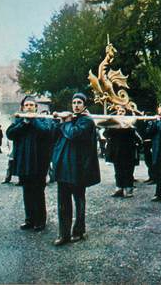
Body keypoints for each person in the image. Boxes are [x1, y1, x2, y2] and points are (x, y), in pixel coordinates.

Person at [51, 93, 100, 246]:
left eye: (79, 102)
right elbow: (55, 137)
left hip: (78, 169)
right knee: (63, 203)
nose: (76, 105)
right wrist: (57, 121)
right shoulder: (69, 120)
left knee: (79, 201)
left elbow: (73, 134)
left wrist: (65, 121)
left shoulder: (87, 121)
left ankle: (79, 230)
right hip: (63, 168)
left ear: (84, 105)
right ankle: (63, 234)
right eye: (74, 102)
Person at [6, 96, 51, 231]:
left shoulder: (42, 120)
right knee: (27, 192)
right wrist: (24, 123)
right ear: (23, 107)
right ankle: (29, 220)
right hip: (24, 164)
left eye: (32, 105)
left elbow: (46, 131)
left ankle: (40, 221)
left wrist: (33, 121)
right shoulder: (19, 120)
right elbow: (9, 134)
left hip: (39, 164)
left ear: (36, 107)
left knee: (38, 192)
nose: (29, 107)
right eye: (27, 105)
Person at [104, 105, 142, 198]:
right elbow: (106, 134)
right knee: (118, 171)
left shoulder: (130, 125)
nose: (120, 113)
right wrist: (110, 126)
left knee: (128, 171)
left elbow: (136, 137)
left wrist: (127, 126)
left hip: (128, 151)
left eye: (122, 111)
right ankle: (119, 189)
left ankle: (128, 189)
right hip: (117, 151)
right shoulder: (113, 125)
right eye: (119, 111)